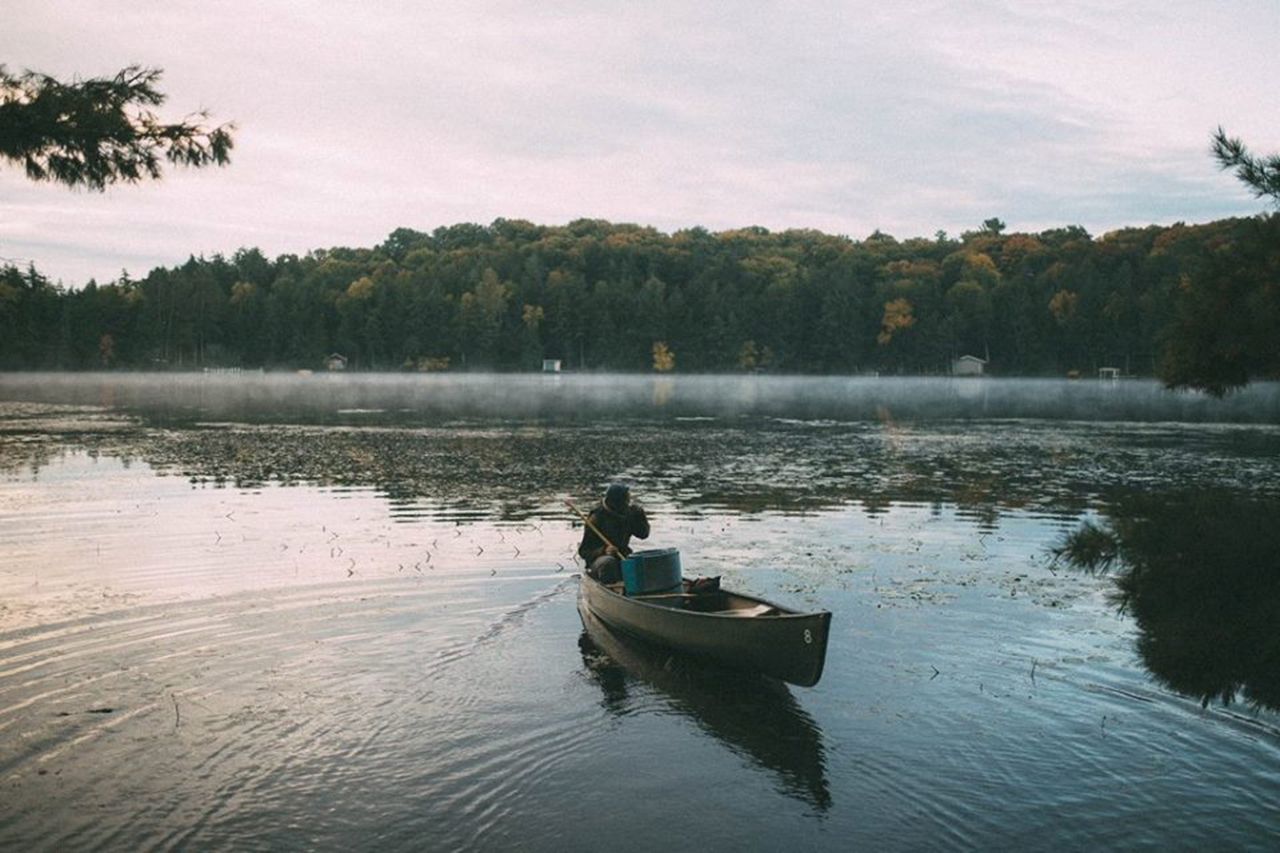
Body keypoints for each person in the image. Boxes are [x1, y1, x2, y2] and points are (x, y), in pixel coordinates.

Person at [578, 483, 650, 583]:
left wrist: (640, 516)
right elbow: (584, 551)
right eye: (627, 499)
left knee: (644, 561)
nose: (629, 502)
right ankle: (611, 589)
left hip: (623, 556)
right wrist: (604, 551)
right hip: (599, 562)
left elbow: (643, 534)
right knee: (608, 562)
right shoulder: (597, 517)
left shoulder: (628, 514)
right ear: (619, 502)